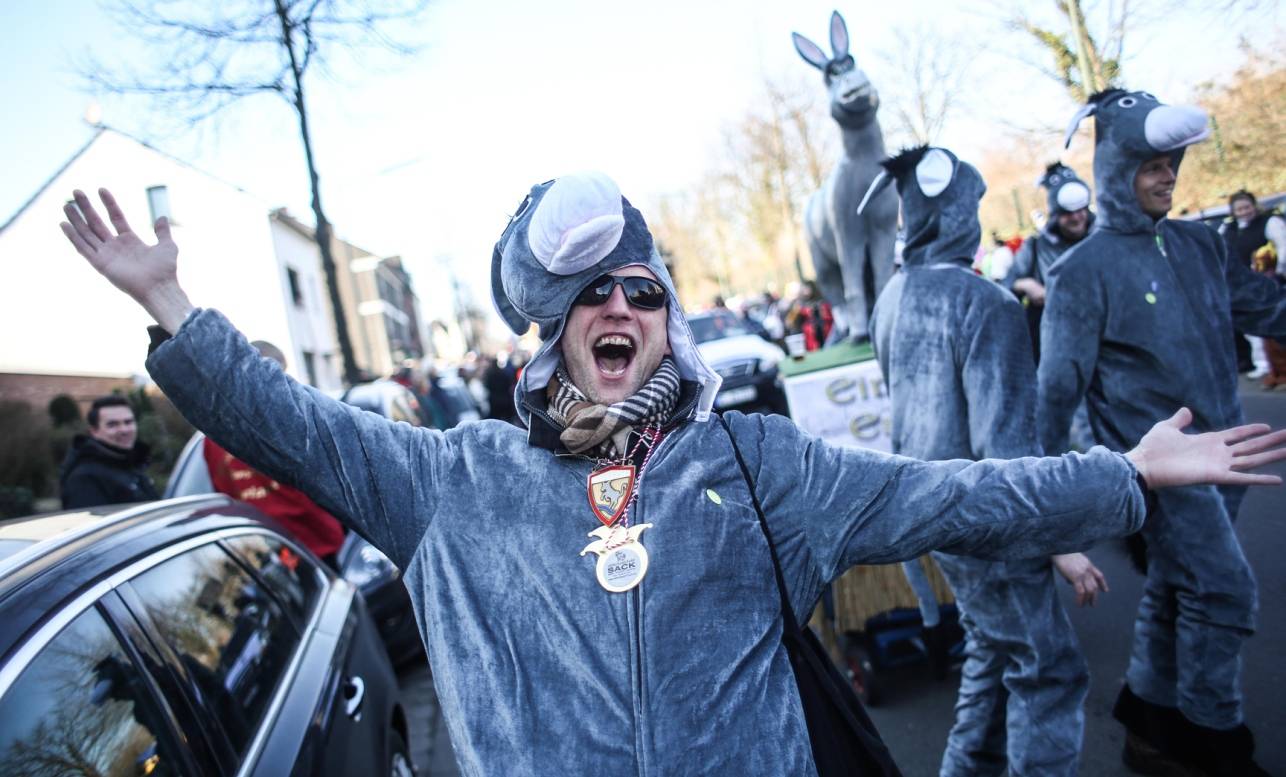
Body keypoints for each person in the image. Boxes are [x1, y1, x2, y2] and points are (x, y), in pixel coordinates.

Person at [60, 175, 1286, 776]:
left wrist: (1123, 474)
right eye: (589, 294)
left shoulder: (759, 468)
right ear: (550, 331)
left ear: (666, 319)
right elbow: (289, 426)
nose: (619, 308)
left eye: (639, 290)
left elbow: (956, 495)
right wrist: (170, 301)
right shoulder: (456, 480)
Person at [1041, 90, 1286, 776]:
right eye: (1151, 162)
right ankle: (1213, 743)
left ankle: (1147, 723)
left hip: (1227, 459)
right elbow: (1054, 396)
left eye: (1172, 162)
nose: (1167, 174)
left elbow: (1267, 304)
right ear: (1116, 166)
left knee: (1179, 587)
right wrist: (1056, 515)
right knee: (1224, 590)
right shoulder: (1080, 273)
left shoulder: (1197, 241)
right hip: (1159, 472)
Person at [867, 146, 1108, 777]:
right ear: (953, 214)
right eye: (969, 206)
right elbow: (1007, 452)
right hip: (991, 524)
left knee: (993, 654)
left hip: (936, 516)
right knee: (1047, 671)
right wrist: (1060, 542)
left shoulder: (892, 296)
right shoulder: (986, 303)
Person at [203, 340, 347, 568]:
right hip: (310, 543)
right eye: (279, 374)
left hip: (265, 549)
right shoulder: (287, 421)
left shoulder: (214, 433)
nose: (284, 383)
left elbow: (226, 496)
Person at [1003, 163, 1094, 361]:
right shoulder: (1035, 246)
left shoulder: (1102, 242)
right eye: (1067, 213)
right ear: (1056, 213)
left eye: (1080, 209)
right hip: (1050, 347)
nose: (1076, 217)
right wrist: (1025, 284)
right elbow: (1005, 285)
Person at [1220, 190, 1286, 384]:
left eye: (1246, 207)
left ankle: (1278, 369)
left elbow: (1282, 247)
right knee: (1252, 333)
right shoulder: (1227, 228)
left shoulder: (1270, 222)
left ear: (1254, 206)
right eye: (1239, 209)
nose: (1243, 211)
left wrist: (1280, 271)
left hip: (1268, 281)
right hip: (1240, 287)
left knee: (1273, 325)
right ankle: (1263, 366)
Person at [59, 395, 160, 508]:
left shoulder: (130, 463)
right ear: (94, 431)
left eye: (128, 422)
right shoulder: (85, 478)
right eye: (112, 424)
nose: (124, 430)